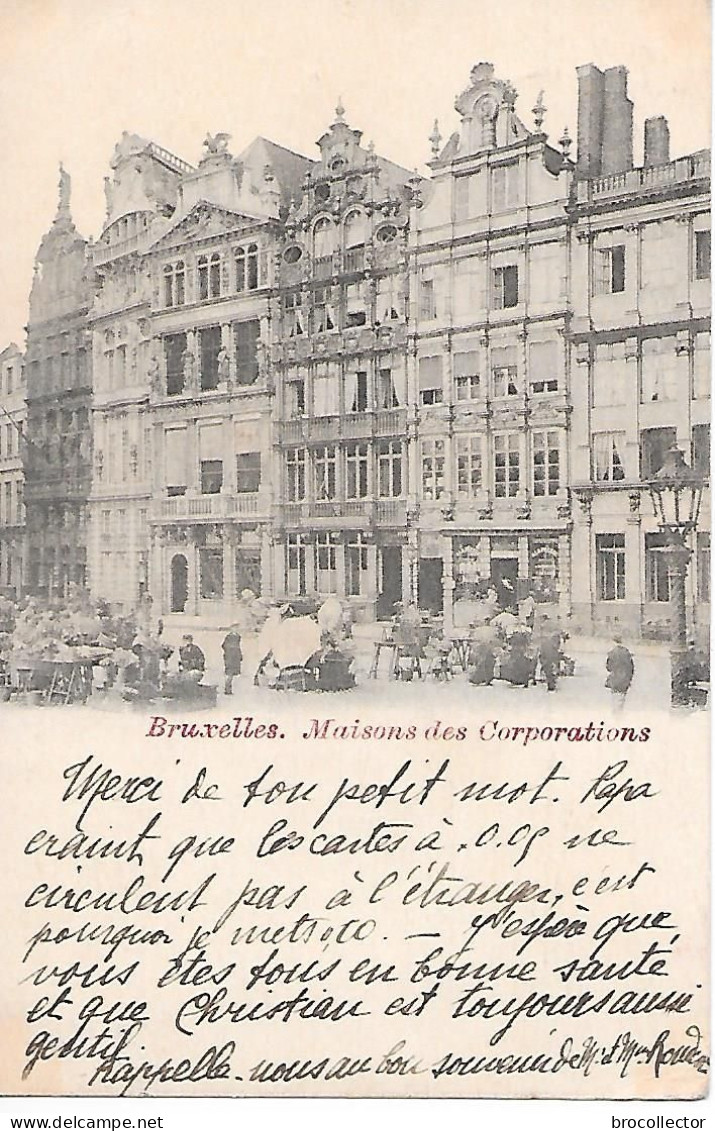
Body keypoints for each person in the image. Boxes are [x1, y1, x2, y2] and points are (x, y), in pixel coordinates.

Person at [605, 635, 634, 708]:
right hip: (625, 679)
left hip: (615, 678)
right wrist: (629, 678)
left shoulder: (612, 653)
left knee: (615, 697)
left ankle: (615, 713)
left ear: (613, 641)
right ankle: (619, 712)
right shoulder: (627, 652)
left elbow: (608, 667)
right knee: (621, 698)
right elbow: (631, 668)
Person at [539, 626, 563, 692]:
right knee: (550, 671)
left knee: (550, 671)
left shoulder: (548, 643)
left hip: (546, 659)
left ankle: (550, 682)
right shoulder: (549, 645)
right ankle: (551, 682)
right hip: (547, 659)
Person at [221, 627, 243, 695]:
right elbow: (223, 645)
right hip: (230, 657)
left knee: (231, 674)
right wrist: (228, 651)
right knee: (229, 673)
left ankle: (228, 688)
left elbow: (238, 647)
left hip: (234, 657)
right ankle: (227, 689)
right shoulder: (229, 637)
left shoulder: (237, 636)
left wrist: (240, 655)